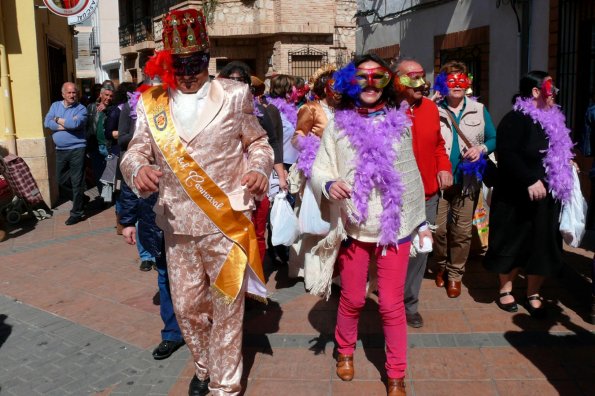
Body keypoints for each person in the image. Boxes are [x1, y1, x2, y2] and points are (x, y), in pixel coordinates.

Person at [119, 9, 273, 396]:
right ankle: (205, 366)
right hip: (176, 223)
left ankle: (225, 385)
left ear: (208, 58)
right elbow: (134, 152)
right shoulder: (151, 102)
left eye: (196, 63)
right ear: (168, 63)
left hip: (226, 223)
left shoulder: (236, 95)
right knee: (187, 309)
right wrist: (136, 169)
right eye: (179, 64)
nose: (188, 72)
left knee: (226, 308)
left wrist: (259, 168)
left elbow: (257, 142)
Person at [310, 54, 430, 396]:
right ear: (351, 82)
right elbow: (320, 169)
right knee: (352, 298)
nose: (370, 85)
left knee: (391, 303)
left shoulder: (400, 124)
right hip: (353, 227)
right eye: (362, 77)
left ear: (388, 83)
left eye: (378, 77)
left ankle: (396, 373)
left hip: (394, 227)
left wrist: (418, 221)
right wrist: (330, 184)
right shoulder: (337, 125)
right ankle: (345, 350)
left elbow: (410, 175)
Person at [484, 71, 574, 318]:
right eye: (550, 88)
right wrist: (529, 179)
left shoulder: (553, 119)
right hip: (515, 197)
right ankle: (506, 288)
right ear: (535, 92)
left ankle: (533, 292)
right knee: (511, 242)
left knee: (542, 245)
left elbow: (558, 151)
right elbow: (508, 155)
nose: (554, 93)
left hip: (546, 199)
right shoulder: (515, 119)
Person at [393, 59, 453, 327]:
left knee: (421, 250)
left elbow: (439, 145)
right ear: (399, 81)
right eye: (412, 77)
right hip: (394, 197)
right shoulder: (387, 110)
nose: (421, 83)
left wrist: (445, 167)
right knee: (394, 251)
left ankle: (409, 303)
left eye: (422, 76)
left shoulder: (430, 109)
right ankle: (390, 299)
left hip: (428, 195)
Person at [433, 61, 497, 298]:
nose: (457, 85)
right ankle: (439, 264)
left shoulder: (479, 109)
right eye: (451, 80)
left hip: (468, 181)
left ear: (467, 83)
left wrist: (480, 149)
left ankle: (454, 274)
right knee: (438, 230)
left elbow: (493, 138)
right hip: (438, 182)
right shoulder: (433, 109)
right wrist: (431, 100)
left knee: (461, 232)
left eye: (461, 80)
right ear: (443, 83)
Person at [217, 61, 284, 261]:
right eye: (232, 80)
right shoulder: (215, 113)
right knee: (234, 232)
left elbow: (272, 142)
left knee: (258, 230)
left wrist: (280, 175)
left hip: (257, 177)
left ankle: (256, 282)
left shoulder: (263, 111)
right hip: (229, 180)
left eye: (241, 80)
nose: (236, 84)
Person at [119, 184, 185, 360]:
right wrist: (128, 221)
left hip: (194, 222)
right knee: (165, 277)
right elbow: (130, 180)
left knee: (202, 278)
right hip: (157, 221)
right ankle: (172, 333)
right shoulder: (145, 155)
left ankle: (205, 327)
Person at [287, 64, 337, 289]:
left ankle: (334, 272)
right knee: (314, 222)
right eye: (334, 85)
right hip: (314, 171)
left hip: (338, 172)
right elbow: (297, 138)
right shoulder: (311, 108)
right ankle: (313, 274)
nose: (339, 90)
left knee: (334, 222)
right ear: (324, 87)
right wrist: (312, 147)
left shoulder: (347, 110)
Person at [44, 82, 88, 225]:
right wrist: (64, 125)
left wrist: (56, 120)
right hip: (60, 150)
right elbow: (46, 122)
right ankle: (80, 197)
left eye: (74, 92)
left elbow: (74, 125)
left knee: (77, 181)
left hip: (77, 148)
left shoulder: (81, 109)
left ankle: (77, 213)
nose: (72, 95)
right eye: (69, 93)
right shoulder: (55, 106)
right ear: (63, 94)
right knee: (60, 180)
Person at [86, 80, 115, 196]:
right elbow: (87, 126)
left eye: (111, 96)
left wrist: (107, 109)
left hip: (110, 147)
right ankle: (104, 197)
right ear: (101, 95)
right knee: (98, 175)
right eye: (106, 95)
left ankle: (107, 199)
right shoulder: (91, 107)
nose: (108, 98)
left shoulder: (115, 109)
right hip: (95, 147)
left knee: (108, 176)